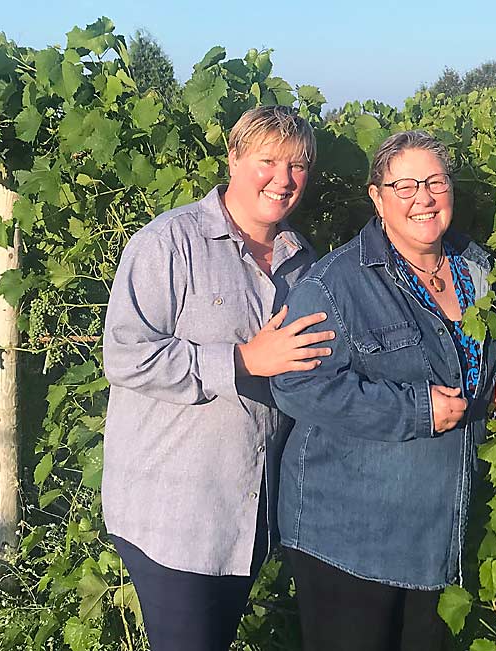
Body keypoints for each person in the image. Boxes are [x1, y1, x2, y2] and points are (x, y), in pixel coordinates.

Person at [270, 130, 496, 651]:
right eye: (405, 184)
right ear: (377, 196)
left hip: (436, 533)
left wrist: (494, 386)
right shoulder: (335, 284)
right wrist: (414, 411)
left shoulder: (475, 267)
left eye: (436, 181)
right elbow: (297, 386)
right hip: (350, 536)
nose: (424, 197)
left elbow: (460, 364)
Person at [102, 105, 335, 651]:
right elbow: (126, 355)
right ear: (233, 159)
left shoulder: (301, 262)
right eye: (267, 161)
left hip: (245, 515)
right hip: (173, 517)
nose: (283, 180)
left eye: (298, 166)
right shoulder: (169, 244)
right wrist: (241, 361)